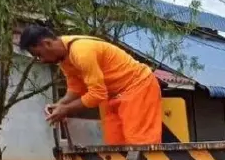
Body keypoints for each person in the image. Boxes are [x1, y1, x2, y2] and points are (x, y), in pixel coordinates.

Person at [19, 25, 162, 145]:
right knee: (115, 146)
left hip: (137, 87)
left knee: (140, 144)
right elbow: (76, 88)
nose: (41, 60)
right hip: (112, 95)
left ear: (47, 44)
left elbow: (97, 94)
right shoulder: (64, 58)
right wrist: (60, 105)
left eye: (39, 55)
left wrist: (66, 109)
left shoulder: (82, 53)